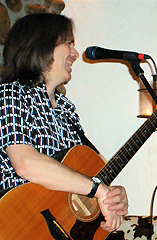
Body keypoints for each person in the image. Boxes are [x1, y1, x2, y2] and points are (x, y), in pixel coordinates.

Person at [0, 13, 128, 232]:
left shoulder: (66, 110)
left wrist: (113, 197)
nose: (75, 54)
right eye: (69, 43)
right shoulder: (10, 94)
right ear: (41, 44)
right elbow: (25, 164)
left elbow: (84, 174)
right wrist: (98, 189)